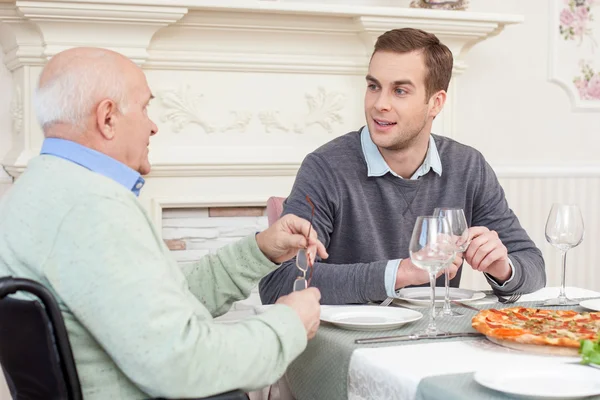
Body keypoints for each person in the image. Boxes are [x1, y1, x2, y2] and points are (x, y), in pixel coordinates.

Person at [0, 47, 328, 400]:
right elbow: (182, 364)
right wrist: (288, 325)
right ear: (107, 117)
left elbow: (157, 307)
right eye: (144, 107)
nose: (153, 125)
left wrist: (260, 250)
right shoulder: (92, 207)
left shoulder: (37, 191)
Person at [259, 28, 545, 305]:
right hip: (353, 346)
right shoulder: (325, 167)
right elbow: (280, 283)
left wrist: (502, 267)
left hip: (436, 340)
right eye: (374, 86)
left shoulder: (468, 167)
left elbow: (533, 266)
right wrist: (402, 272)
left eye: (400, 91)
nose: (379, 104)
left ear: (436, 102)